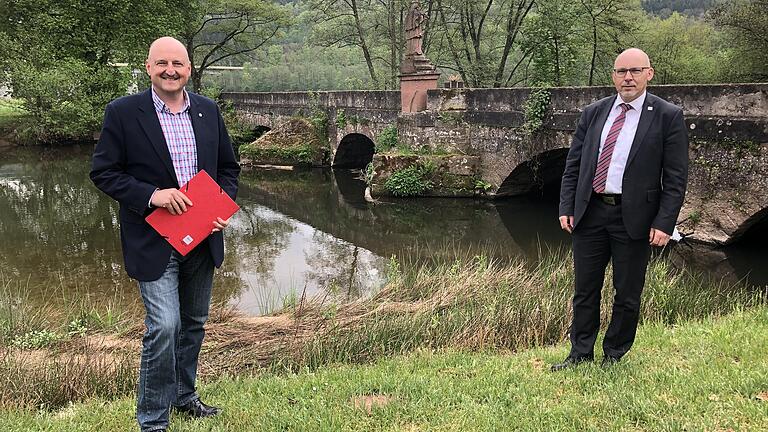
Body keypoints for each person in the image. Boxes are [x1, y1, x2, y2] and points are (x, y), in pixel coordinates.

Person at [90, 36, 240, 431]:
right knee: (165, 327)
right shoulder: (123, 112)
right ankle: (153, 419)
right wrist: (152, 195)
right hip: (153, 239)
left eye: (178, 63)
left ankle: (185, 397)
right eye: (162, 63)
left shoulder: (208, 111)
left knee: (193, 323)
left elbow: (229, 169)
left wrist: (221, 207)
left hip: (203, 237)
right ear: (148, 67)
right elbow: (103, 172)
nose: (170, 70)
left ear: (189, 69)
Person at [554, 48, 688, 371]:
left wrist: (665, 222)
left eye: (635, 70)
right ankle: (579, 353)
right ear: (613, 76)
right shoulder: (594, 112)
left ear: (649, 74)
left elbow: (675, 177)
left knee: (627, 293)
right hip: (590, 212)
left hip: (635, 218)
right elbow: (574, 164)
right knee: (585, 290)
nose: (628, 77)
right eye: (621, 71)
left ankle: (613, 355)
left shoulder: (667, 115)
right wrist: (566, 205)